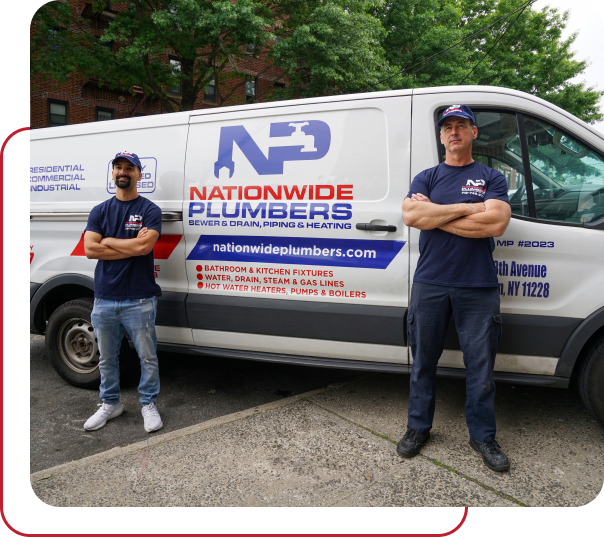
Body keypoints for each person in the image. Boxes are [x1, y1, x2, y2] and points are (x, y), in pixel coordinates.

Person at [397, 105, 512, 472]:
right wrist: (467, 209)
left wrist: (438, 214)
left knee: (480, 366)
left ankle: (482, 436)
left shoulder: (491, 177)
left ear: (474, 133)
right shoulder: (426, 177)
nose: (454, 131)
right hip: (430, 283)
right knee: (423, 362)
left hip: (477, 285)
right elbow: (413, 216)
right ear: (441, 135)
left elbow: (494, 224)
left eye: (462, 125)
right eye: (448, 126)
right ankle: (418, 428)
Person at [82, 151, 163, 433]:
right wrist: (127, 245)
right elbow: (90, 249)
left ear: (140, 174)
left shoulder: (150, 210)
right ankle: (110, 404)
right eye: (118, 167)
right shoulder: (100, 210)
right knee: (106, 357)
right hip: (104, 298)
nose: (123, 172)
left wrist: (108, 240)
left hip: (140, 297)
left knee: (147, 357)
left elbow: (143, 248)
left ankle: (148, 404)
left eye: (130, 167)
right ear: (113, 173)